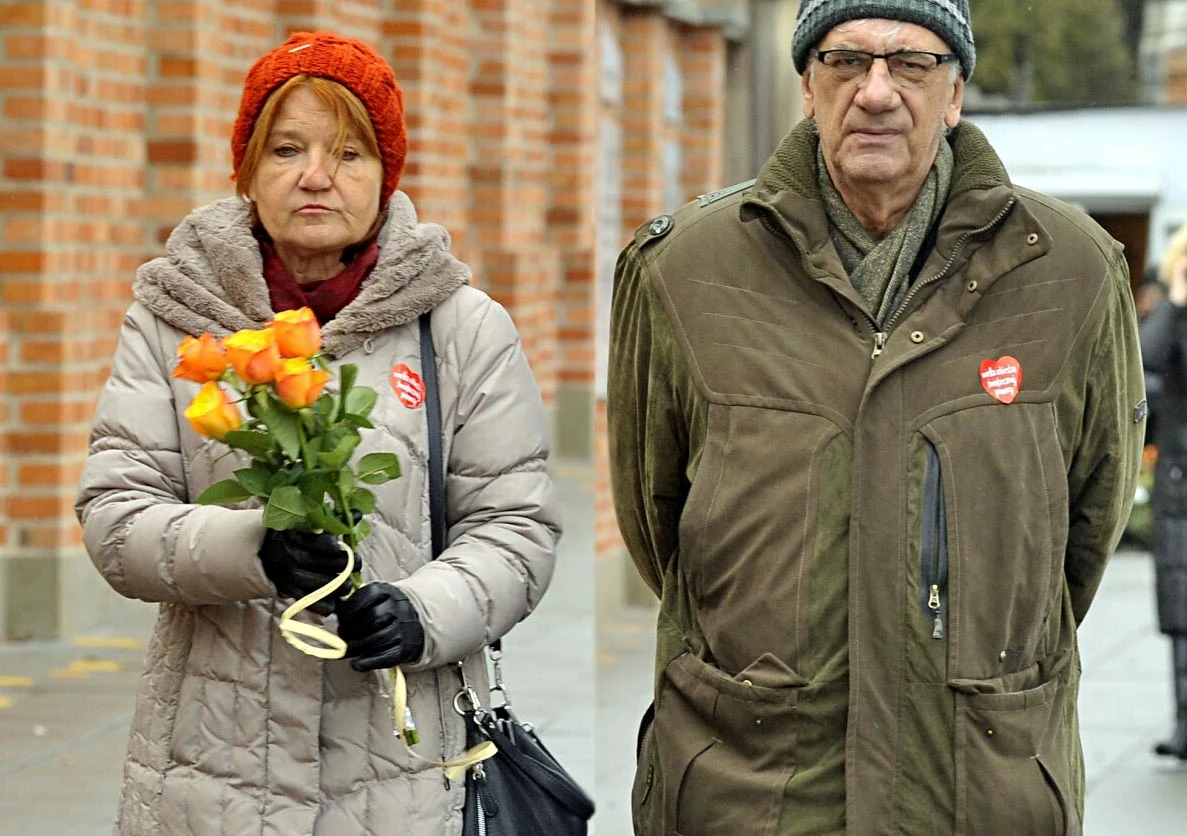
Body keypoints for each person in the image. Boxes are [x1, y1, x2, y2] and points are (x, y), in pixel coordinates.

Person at [607, 1, 1145, 834]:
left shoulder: (1071, 271)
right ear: (807, 88)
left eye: (912, 63)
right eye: (845, 60)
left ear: (956, 90)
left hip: (976, 790)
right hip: (752, 794)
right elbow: (658, 524)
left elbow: (1083, 527)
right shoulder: (682, 270)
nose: (876, 91)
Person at [75, 32, 560, 835]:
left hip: (404, 778)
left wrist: (421, 610)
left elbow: (517, 527)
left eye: (348, 153)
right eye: (287, 149)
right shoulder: (174, 320)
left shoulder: (461, 328)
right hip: (211, 775)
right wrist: (248, 549)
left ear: (385, 173)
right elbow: (115, 516)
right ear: (248, 170)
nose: (316, 176)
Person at [1139, 222, 1187, 760]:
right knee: (1181, 610)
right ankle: (1183, 727)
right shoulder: (1174, 320)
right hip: (1179, 483)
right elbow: (1144, 358)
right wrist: (1175, 300)